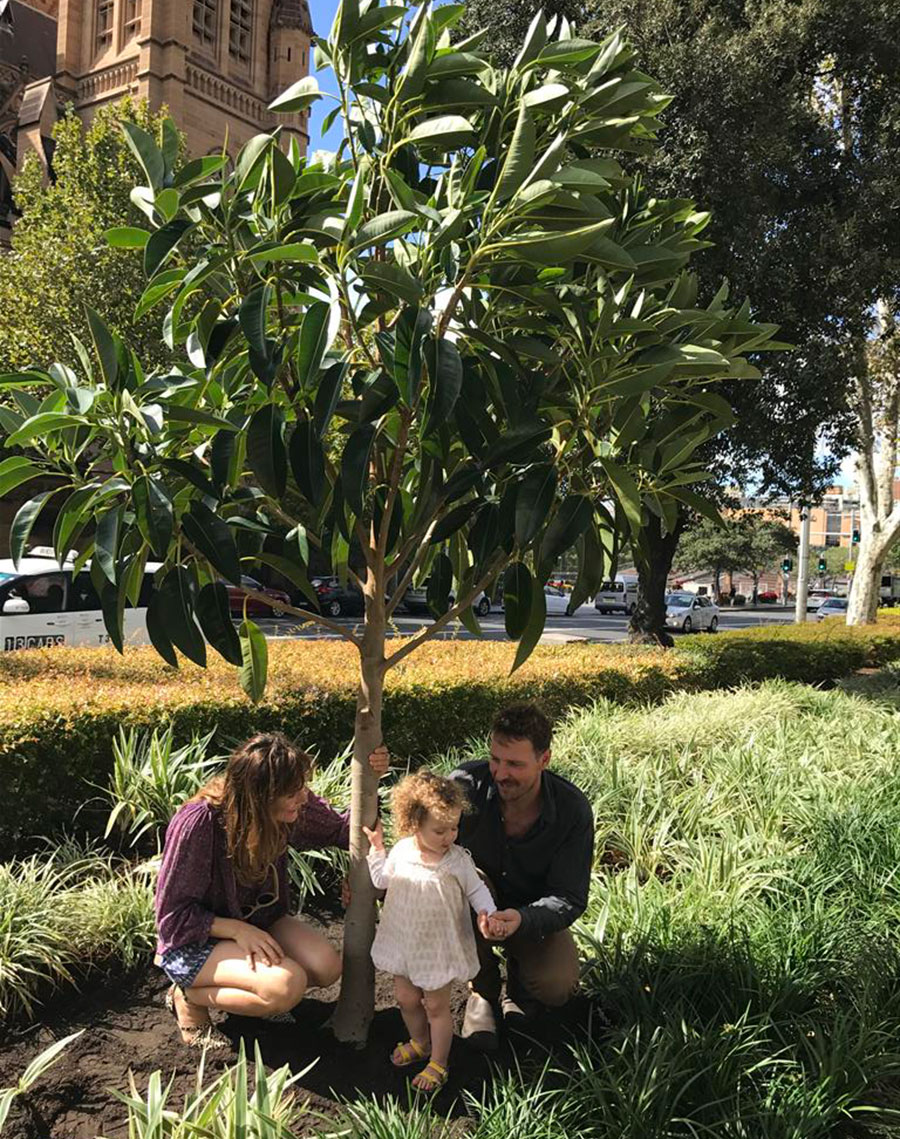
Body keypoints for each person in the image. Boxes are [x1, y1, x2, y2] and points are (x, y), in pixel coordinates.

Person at [154, 731, 389, 1047]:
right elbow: (172, 918)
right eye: (292, 792)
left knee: (326, 967)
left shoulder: (287, 810)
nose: (303, 798)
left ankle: (252, 992)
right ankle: (189, 997)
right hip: (197, 941)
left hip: (260, 924)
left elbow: (344, 829)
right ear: (259, 795)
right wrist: (237, 930)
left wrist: (374, 775)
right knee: (285, 986)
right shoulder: (201, 823)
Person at [451, 703, 594, 1051]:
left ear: (544, 759)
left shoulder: (571, 810)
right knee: (459, 880)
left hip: (532, 917)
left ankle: (520, 986)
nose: (500, 773)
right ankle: (482, 990)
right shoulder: (464, 787)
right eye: (495, 759)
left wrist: (523, 919)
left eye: (515, 764)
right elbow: (420, 840)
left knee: (557, 985)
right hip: (473, 908)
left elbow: (570, 897)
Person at [362, 771, 498, 1092]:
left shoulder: (457, 861)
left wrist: (487, 912)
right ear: (414, 823)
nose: (448, 836)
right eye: (439, 830)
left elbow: (477, 890)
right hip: (404, 941)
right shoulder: (403, 852)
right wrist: (377, 849)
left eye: (454, 827)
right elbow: (382, 880)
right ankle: (419, 1042)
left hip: (437, 947)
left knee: (436, 1006)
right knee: (406, 999)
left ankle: (439, 1061)